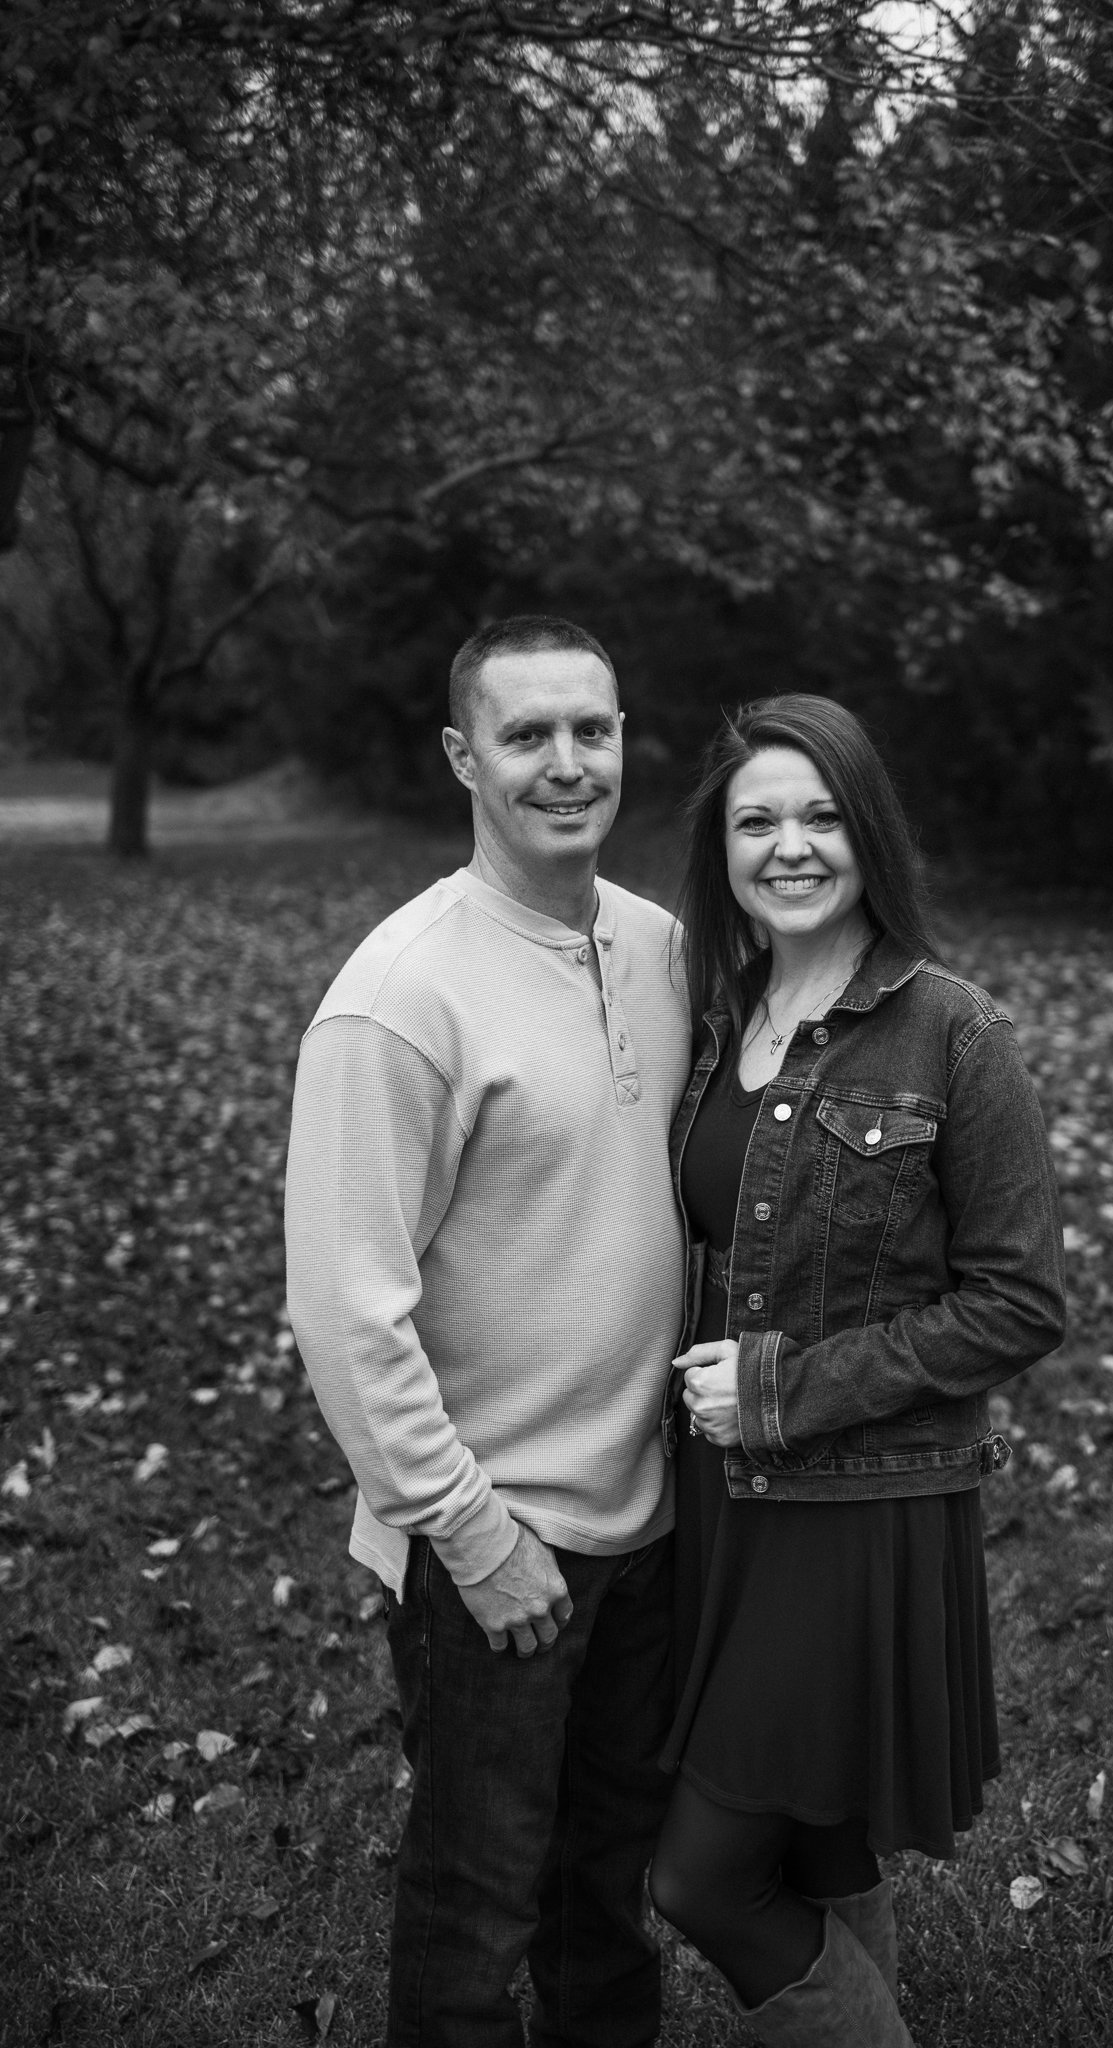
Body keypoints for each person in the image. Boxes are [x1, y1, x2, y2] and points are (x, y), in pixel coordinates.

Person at [284, 616, 692, 2048]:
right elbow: (345, 1309)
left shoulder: (661, 948)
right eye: (528, 735)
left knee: (605, 1893)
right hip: (498, 1544)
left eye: (593, 729)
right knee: (475, 1914)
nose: (567, 764)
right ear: (464, 757)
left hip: (650, 1527)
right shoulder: (400, 999)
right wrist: (471, 1535)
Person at [647, 695, 1067, 2046]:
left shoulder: (953, 1033)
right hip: (718, 1497)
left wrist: (784, 1391)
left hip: (856, 1501)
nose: (789, 847)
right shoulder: (715, 1020)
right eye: (756, 820)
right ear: (720, 847)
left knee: (702, 1877)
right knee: (815, 1836)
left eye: (821, 816)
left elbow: (1018, 1303)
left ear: (868, 832)